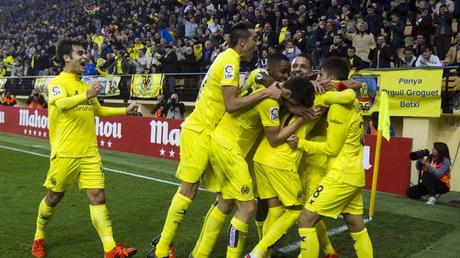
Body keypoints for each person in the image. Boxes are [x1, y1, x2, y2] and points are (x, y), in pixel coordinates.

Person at [148, 22, 281, 258]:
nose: (256, 43)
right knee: (188, 190)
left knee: (225, 199)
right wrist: (266, 92)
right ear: (242, 42)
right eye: (254, 39)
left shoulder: (229, 59)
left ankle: (195, 252)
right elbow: (231, 105)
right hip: (199, 130)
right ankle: (160, 250)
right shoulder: (229, 60)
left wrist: (260, 82)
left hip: (212, 134)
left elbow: (240, 90)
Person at [30, 39, 138, 258]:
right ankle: (38, 237)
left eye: (85, 52)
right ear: (66, 57)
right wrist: (86, 95)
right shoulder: (58, 83)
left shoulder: (85, 84)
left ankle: (110, 250)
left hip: (89, 152)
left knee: (97, 196)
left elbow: (99, 111)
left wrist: (125, 111)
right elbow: (61, 104)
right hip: (65, 153)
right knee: (54, 197)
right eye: (80, 53)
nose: (85, 56)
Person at [190, 54, 302, 258]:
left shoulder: (255, 75)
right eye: (282, 71)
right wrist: (299, 117)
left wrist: (281, 90)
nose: (286, 75)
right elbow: (275, 138)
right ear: (270, 67)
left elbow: (259, 76)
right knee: (247, 207)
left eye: (288, 72)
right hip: (229, 148)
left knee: (225, 202)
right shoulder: (270, 101)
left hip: (223, 142)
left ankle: (199, 253)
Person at [287, 57, 373, 258]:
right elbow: (353, 92)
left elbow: (331, 148)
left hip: (341, 174)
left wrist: (301, 144)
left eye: (322, 75)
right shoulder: (348, 100)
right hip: (353, 173)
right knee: (355, 224)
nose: (319, 78)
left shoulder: (338, 106)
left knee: (306, 220)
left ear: (331, 79)